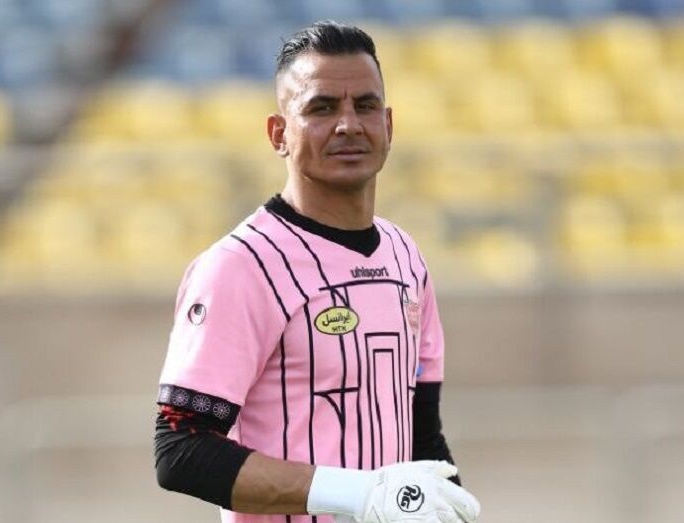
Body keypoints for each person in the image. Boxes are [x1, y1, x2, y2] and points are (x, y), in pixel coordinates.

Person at [154, 21, 481, 523]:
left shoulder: (405, 257)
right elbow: (181, 449)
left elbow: (423, 438)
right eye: (321, 108)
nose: (348, 124)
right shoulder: (240, 267)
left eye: (365, 106)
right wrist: (356, 493)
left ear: (388, 126)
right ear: (278, 134)